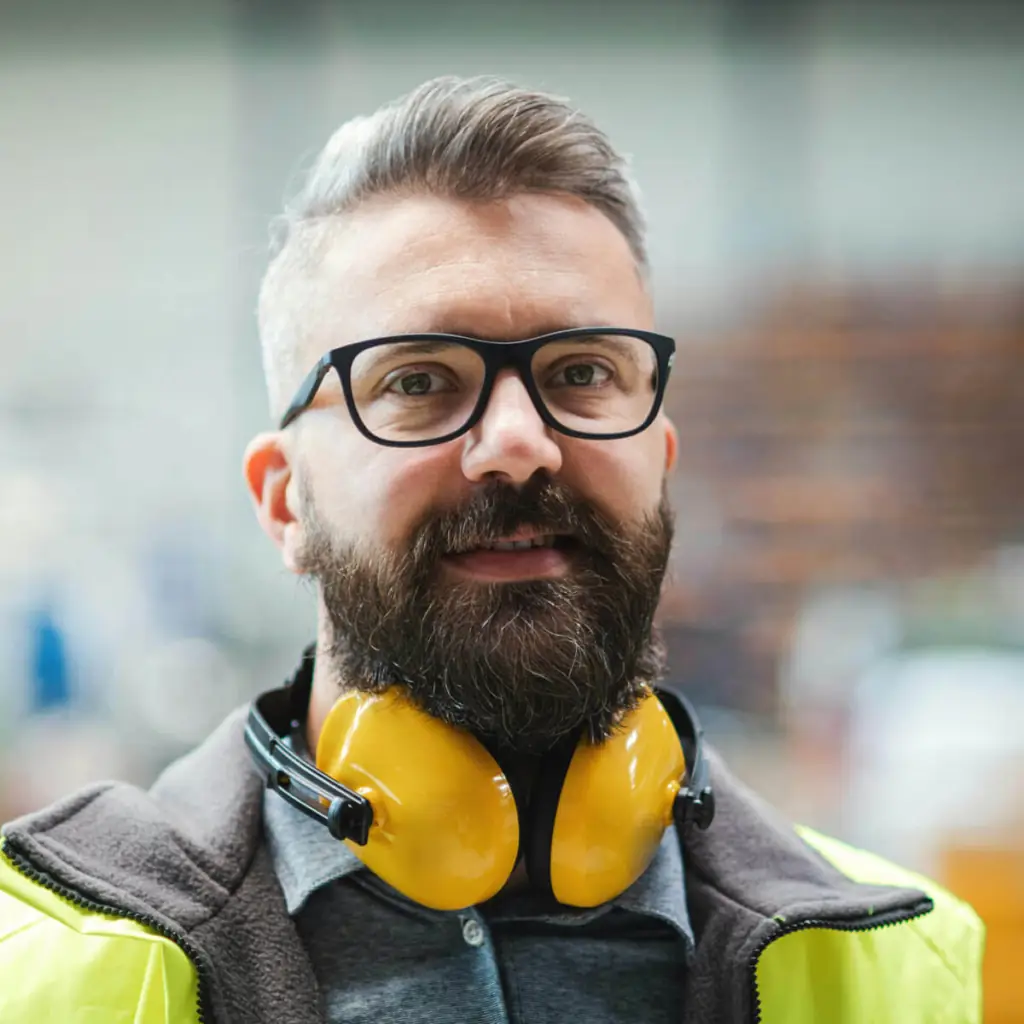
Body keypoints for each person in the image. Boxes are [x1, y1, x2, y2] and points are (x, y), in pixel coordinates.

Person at [0, 76, 983, 1024]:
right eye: (418, 380)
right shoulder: (40, 976)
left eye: (581, 372)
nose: (517, 443)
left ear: (662, 464)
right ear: (283, 500)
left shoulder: (903, 967)